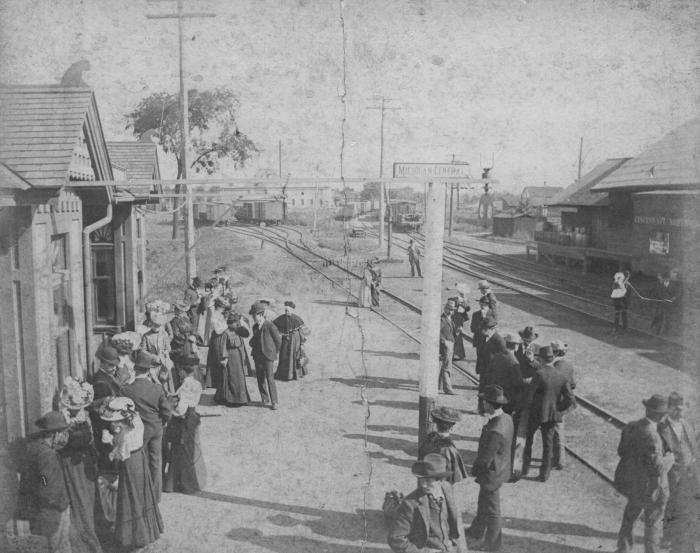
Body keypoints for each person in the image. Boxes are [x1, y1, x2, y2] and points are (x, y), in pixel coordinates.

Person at [99, 397, 163, 548]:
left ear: (121, 421)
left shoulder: (126, 436)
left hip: (130, 463)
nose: (112, 424)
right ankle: (147, 531)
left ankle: (135, 536)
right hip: (139, 459)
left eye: (115, 421)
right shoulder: (136, 421)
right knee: (140, 494)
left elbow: (121, 453)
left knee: (130, 495)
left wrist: (110, 441)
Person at [613, 394, 674, 553]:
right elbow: (658, 468)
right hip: (652, 488)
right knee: (653, 524)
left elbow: (621, 451)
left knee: (629, 517)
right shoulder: (653, 436)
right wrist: (670, 459)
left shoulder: (631, 426)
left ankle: (623, 549)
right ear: (661, 415)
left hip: (634, 484)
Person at [465, 385, 514, 552]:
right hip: (501, 469)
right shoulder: (506, 418)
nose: (482, 403)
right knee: (483, 502)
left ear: (489, 404)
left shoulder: (494, 429)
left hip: (492, 474)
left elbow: (485, 458)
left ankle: (493, 546)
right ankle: (476, 531)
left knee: (492, 511)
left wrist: (475, 471)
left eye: (484, 401)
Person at [388, 453, 467, 553]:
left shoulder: (447, 489)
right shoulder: (410, 504)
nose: (424, 485)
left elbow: (456, 522)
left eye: (429, 481)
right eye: (421, 480)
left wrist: (456, 545)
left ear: (440, 480)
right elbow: (395, 538)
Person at [122, 350, 173, 504]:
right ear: (149, 370)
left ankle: (141, 494)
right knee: (156, 462)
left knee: (139, 462)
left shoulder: (126, 389)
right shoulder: (156, 388)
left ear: (134, 369)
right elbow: (167, 411)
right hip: (156, 429)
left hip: (138, 431)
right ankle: (155, 497)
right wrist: (162, 422)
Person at [57, 377, 102, 553]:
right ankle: (86, 544)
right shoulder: (64, 420)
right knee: (80, 501)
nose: (78, 409)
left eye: (79, 406)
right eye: (74, 407)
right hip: (72, 464)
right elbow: (60, 444)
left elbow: (90, 438)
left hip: (86, 464)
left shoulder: (84, 415)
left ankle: (92, 535)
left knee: (89, 500)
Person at [17, 412, 71, 553]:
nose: (64, 437)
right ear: (55, 434)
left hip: (38, 510)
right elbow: (46, 482)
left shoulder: (33, 448)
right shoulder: (48, 455)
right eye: (62, 433)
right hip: (52, 511)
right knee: (59, 547)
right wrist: (61, 503)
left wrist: (43, 482)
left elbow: (41, 478)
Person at [522, 346, 574, 482]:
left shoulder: (539, 374)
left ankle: (525, 468)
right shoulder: (561, 376)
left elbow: (529, 396)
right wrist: (557, 409)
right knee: (548, 445)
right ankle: (544, 475)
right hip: (551, 416)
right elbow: (570, 399)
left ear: (541, 359)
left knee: (529, 440)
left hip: (536, 414)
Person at [658, 392, 700, 553]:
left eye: (682, 409)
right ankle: (668, 537)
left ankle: (683, 539)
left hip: (689, 472)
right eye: (676, 409)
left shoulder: (688, 424)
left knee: (690, 505)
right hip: (671, 474)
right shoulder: (661, 428)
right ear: (668, 409)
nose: (679, 412)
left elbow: (693, 446)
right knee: (672, 504)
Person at [163, 359, 207, 494]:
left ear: (183, 371)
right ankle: (189, 481)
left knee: (179, 450)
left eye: (180, 370)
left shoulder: (184, 387)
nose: (178, 372)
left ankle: (179, 483)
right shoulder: (196, 384)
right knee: (190, 449)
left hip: (183, 420)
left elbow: (181, 409)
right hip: (192, 417)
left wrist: (171, 409)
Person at [210, 314, 252, 406]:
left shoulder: (238, 330)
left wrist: (241, 324)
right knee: (232, 378)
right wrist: (225, 358)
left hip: (238, 356)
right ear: (229, 324)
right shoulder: (226, 333)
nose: (236, 324)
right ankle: (232, 399)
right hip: (231, 357)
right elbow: (223, 346)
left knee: (240, 378)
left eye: (237, 322)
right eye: (234, 323)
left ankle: (241, 399)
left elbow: (246, 334)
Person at [418, 407, 467, 485]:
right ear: (451, 427)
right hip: (441, 483)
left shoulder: (429, 439)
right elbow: (453, 474)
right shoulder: (449, 449)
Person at [249, 301, 282, 410]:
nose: (254, 318)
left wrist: (274, 354)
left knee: (270, 378)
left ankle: (274, 402)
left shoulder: (270, 325)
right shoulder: (254, 327)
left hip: (268, 357)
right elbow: (255, 339)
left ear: (261, 315)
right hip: (257, 356)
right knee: (260, 378)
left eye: (255, 315)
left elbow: (278, 341)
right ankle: (264, 398)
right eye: (253, 316)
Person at [551, 339, 577, 471]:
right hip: (566, 402)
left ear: (554, 353)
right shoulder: (569, 365)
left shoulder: (555, 368)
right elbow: (573, 385)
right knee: (558, 430)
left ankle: (560, 460)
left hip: (558, 404)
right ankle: (558, 458)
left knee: (556, 431)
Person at [141, 310, 175, 393]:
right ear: (151, 324)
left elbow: (168, 347)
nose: (156, 328)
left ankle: (166, 395)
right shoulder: (146, 336)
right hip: (152, 362)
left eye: (158, 326)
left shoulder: (164, 334)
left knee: (165, 381)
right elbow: (143, 350)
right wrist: (152, 356)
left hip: (164, 361)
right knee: (154, 382)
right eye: (154, 325)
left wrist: (166, 352)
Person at [273, 301, 308, 381]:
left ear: (292, 310)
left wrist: (302, 343)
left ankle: (296, 374)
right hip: (285, 340)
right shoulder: (281, 318)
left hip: (295, 340)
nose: (286, 312)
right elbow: (274, 326)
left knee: (295, 356)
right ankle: (285, 375)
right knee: (284, 355)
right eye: (285, 310)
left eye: (288, 310)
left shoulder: (297, 319)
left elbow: (302, 331)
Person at [439, 299, 457, 395]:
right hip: (447, 345)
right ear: (445, 308)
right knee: (447, 367)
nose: (451, 311)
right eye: (449, 309)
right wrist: (444, 341)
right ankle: (448, 388)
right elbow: (437, 331)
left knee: (445, 366)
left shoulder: (449, 318)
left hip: (450, 343)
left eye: (452, 309)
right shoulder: (443, 319)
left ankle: (439, 385)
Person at [471, 296, 491, 376]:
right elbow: (472, 328)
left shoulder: (492, 314)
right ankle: (481, 381)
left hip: (489, 342)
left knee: (488, 362)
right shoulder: (476, 314)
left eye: (485, 304)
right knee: (480, 362)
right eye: (481, 304)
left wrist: (484, 318)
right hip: (479, 341)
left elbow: (492, 326)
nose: (483, 306)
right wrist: (481, 320)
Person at [451, 296, 470, 361]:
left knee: (457, 339)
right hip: (454, 323)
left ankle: (458, 355)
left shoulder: (460, 307)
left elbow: (466, 310)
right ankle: (456, 354)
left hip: (457, 324)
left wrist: (461, 326)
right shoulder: (455, 307)